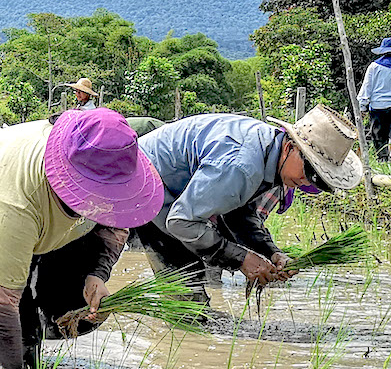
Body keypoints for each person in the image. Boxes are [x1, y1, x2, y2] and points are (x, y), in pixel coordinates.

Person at [0, 108, 164, 369]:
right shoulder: (17, 199)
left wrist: (97, 274)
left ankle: (31, 347)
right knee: (10, 327)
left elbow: (116, 221)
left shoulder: (108, 166)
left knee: (67, 308)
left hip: (42, 221)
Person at [130, 106, 364, 305]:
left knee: (191, 283)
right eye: (311, 172)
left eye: (318, 182)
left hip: (172, 193)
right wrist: (241, 258)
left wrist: (271, 253)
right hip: (144, 186)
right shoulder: (242, 164)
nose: (305, 183)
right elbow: (181, 222)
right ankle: (183, 347)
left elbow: (239, 216)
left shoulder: (267, 152)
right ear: (291, 147)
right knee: (185, 286)